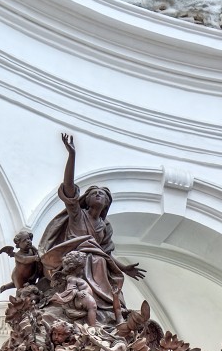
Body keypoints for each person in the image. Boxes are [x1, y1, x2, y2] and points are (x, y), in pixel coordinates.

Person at [39, 134, 144, 324]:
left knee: (101, 262)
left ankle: (108, 309)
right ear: (86, 199)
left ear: (106, 203)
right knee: (92, 260)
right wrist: (72, 155)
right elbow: (69, 188)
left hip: (98, 263)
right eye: (94, 193)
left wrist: (124, 268)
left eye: (102, 195)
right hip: (78, 259)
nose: (98, 195)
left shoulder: (105, 226)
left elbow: (106, 253)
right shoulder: (79, 214)